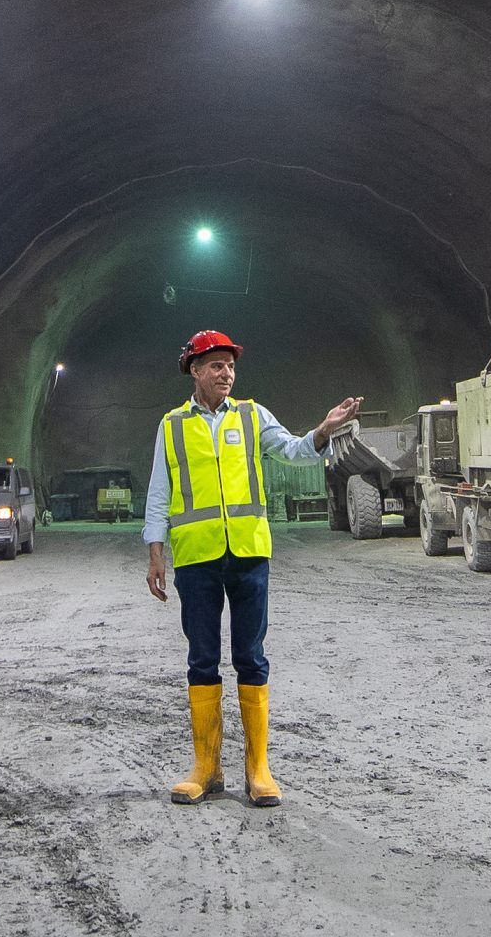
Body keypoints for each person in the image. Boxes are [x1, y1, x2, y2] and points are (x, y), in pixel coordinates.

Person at [143, 329, 361, 807]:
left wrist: (323, 431)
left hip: (248, 555)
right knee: (201, 659)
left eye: (231, 366)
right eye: (216, 365)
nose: (226, 373)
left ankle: (258, 769)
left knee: (251, 658)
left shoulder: (252, 415)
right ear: (195, 370)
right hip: (197, 557)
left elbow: (295, 450)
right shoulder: (172, 426)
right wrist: (155, 551)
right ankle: (207, 766)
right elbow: (159, 492)